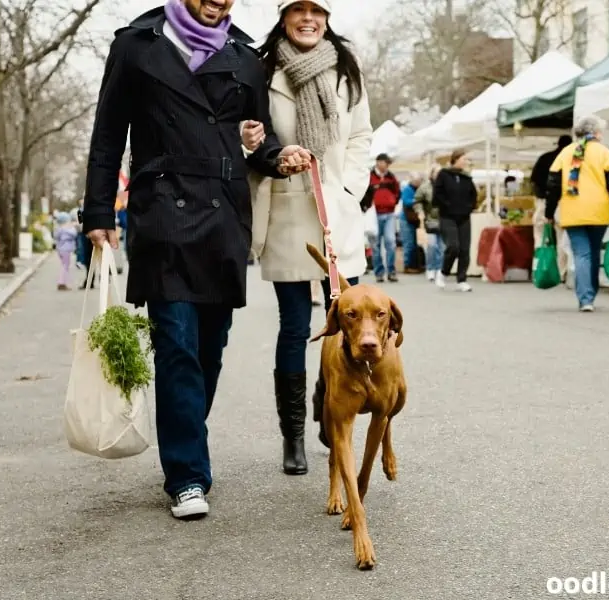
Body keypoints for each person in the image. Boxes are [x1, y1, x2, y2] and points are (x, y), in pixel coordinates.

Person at [81, 0, 312, 520]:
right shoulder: (135, 46)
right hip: (161, 211)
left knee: (209, 347)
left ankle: (186, 439)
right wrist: (98, 210)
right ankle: (187, 475)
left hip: (224, 214)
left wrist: (277, 155)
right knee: (178, 345)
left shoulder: (245, 55)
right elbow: (108, 135)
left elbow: (260, 137)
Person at [244, 0, 372, 472]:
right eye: (297, 10)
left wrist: (348, 187)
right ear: (284, 17)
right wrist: (276, 155)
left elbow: (361, 134)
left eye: (315, 10)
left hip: (336, 210)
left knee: (348, 323)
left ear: (327, 17)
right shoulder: (262, 69)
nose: (307, 19)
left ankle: (328, 410)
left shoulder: (346, 67)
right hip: (289, 211)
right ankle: (292, 436)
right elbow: (252, 137)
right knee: (295, 326)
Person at [545, 116, 609, 312]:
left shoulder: (565, 153)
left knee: (581, 253)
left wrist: (549, 212)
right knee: (594, 252)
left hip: (572, 211)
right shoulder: (604, 153)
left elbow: (553, 185)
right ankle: (591, 293)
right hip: (599, 211)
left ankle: (585, 298)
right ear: (596, 133)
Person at [433, 149, 477, 292]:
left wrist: (469, 208)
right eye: (464, 159)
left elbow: (473, 195)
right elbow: (437, 194)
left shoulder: (467, 178)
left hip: (464, 216)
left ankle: (462, 279)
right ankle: (443, 272)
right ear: (456, 159)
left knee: (465, 249)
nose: (466, 162)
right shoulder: (444, 175)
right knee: (453, 246)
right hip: (447, 216)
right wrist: (447, 206)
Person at [531, 134, 571, 277]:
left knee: (541, 235)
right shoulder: (571, 160)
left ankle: (540, 268)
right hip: (564, 202)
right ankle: (562, 271)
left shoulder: (545, 158)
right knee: (562, 237)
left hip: (543, 201)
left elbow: (534, 181)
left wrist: (541, 197)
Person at [362, 153, 400, 283]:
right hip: (374, 214)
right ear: (378, 162)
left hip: (389, 213)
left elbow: (397, 192)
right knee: (376, 244)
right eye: (384, 162)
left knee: (390, 242)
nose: (385, 165)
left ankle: (391, 271)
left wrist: (393, 201)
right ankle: (379, 272)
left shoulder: (391, 177)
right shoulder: (370, 176)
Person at [414, 164, 442, 282]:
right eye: (436, 172)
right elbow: (417, 201)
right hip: (430, 221)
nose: (439, 175)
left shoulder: (445, 186)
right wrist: (420, 212)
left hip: (445, 221)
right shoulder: (425, 187)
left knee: (442, 248)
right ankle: (430, 268)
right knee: (432, 246)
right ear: (432, 174)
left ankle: (439, 269)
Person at [399, 173, 423, 274]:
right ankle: (407, 265)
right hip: (406, 220)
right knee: (408, 243)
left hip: (413, 220)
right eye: (417, 180)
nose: (418, 182)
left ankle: (414, 265)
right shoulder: (407, 189)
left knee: (413, 244)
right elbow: (406, 201)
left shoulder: (418, 189)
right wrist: (417, 200)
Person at [53, 212, 78, 291]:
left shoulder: (58, 229)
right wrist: (72, 226)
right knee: (65, 266)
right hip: (66, 249)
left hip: (60, 249)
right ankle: (62, 282)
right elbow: (74, 233)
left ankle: (63, 282)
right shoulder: (68, 230)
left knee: (64, 265)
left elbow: (56, 237)